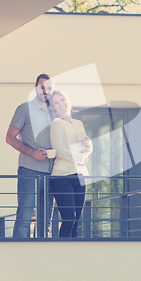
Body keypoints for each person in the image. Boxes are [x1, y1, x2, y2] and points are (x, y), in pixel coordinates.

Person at [6, 73, 55, 238]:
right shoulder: (24, 109)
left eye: (48, 88)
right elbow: (9, 138)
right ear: (35, 88)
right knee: (24, 219)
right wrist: (32, 152)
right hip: (29, 172)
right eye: (42, 87)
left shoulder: (55, 113)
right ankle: (19, 259)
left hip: (51, 175)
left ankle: (41, 260)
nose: (45, 91)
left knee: (45, 222)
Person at [49, 89, 92, 237]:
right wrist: (80, 158)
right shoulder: (56, 124)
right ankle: (63, 255)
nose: (60, 104)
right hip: (62, 177)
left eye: (62, 100)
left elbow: (86, 144)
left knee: (76, 221)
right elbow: (58, 150)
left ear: (67, 100)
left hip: (80, 175)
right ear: (53, 108)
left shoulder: (78, 123)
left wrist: (88, 146)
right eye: (56, 102)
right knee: (69, 219)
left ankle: (74, 257)